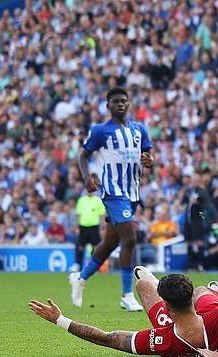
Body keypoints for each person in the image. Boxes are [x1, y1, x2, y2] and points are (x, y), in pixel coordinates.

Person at [30, 267, 218, 357]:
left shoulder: (160, 340)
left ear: (167, 309)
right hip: (208, 319)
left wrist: (60, 319)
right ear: (190, 299)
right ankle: (201, 292)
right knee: (207, 290)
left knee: (142, 280)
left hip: (173, 327)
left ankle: (155, 282)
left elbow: (107, 337)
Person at [69, 87, 154, 311]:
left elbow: (148, 155)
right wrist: (87, 177)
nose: (120, 104)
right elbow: (83, 155)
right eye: (115, 101)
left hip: (133, 192)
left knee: (111, 242)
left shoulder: (139, 130)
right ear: (108, 106)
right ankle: (127, 295)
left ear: (128, 104)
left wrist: (149, 161)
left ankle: (81, 277)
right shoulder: (100, 131)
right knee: (131, 238)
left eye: (123, 101)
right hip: (113, 191)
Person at [71, 191, 106, 272]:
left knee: (95, 247)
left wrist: (102, 228)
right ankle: (77, 264)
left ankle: (93, 266)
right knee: (80, 247)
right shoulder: (81, 200)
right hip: (83, 227)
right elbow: (78, 215)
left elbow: (102, 215)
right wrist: (77, 227)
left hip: (94, 227)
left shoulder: (98, 200)